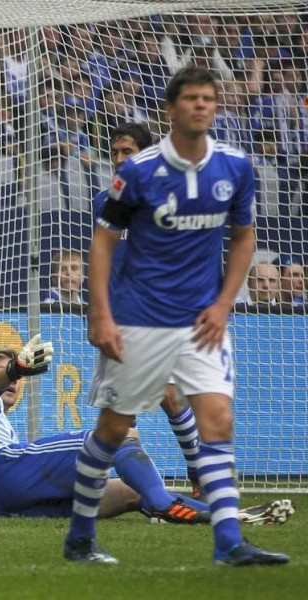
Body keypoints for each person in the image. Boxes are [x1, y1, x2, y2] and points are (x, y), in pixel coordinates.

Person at [66, 66, 289, 566]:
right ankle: (80, 536)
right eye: (190, 98)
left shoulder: (235, 167)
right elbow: (101, 243)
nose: (201, 105)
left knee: (218, 418)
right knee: (113, 430)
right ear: (171, 109)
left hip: (201, 322)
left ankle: (229, 542)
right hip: (139, 320)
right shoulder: (138, 175)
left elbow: (245, 237)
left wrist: (225, 302)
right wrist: (100, 313)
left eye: (209, 98)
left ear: (217, 105)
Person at [0, 342, 294, 526]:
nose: (15, 381)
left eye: (19, 377)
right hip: (3, 477)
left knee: (129, 491)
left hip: (8, 505)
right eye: (5, 372)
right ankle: (171, 497)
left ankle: (218, 514)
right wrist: (12, 368)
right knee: (116, 429)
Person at [94, 122, 204, 499]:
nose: (120, 159)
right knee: (122, 418)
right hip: (116, 320)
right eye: (115, 152)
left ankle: (196, 470)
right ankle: (151, 493)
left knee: (170, 395)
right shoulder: (103, 202)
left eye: (128, 151)